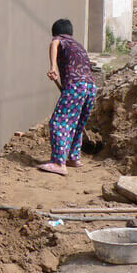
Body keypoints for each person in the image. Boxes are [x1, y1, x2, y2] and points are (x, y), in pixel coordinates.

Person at [39, 19, 96, 176]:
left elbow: (54, 44)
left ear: (56, 33)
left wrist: (53, 67)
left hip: (76, 86)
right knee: (77, 123)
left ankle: (58, 163)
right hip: (91, 87)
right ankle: (73, 157)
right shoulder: (78, 45)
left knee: (59, 122)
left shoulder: (59, 40)